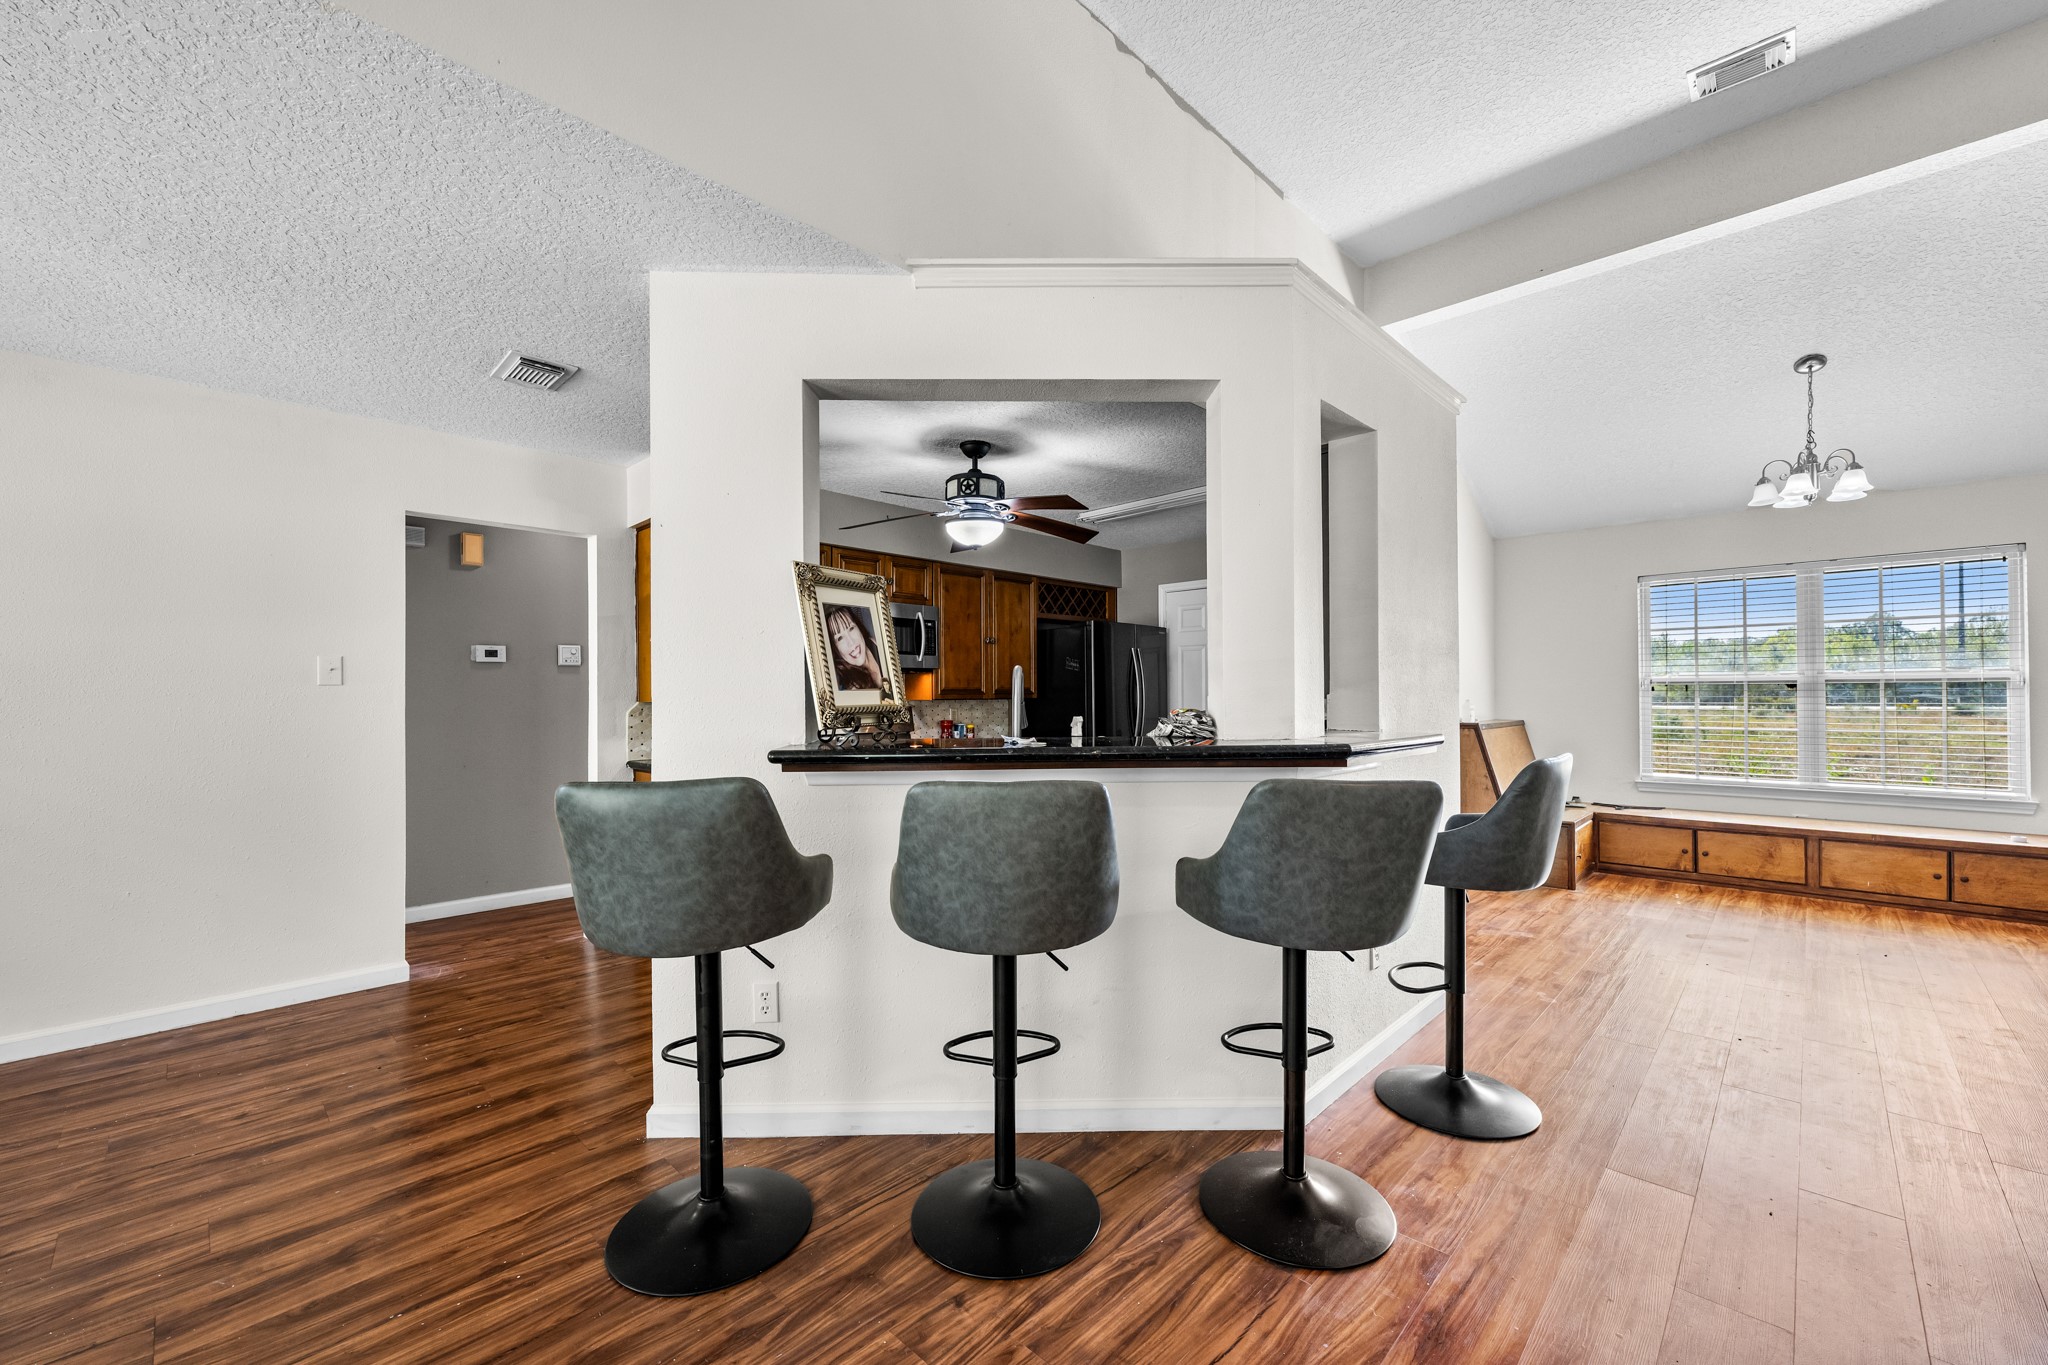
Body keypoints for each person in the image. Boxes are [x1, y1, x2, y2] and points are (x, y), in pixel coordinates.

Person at [825, 604, 888, 694]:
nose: (851, 642)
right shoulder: (852, 689)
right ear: (835, 648)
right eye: (840, 638)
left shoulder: (877, 644)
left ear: (858, 627)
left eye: (851, 628)